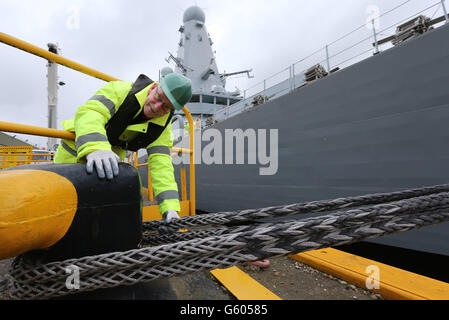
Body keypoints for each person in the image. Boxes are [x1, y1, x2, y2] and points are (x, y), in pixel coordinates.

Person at [54, 71, 192, 225]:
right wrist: (96, 147)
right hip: (71, 157)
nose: (157, 107)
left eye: (166, 107)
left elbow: (162, 166)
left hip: (107, 165)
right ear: (154, 87)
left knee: (93, 217)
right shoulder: (119, 90)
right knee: (59, 210)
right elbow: (91, 112)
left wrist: (170, 208)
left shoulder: (162, 127)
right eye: (158, 97)